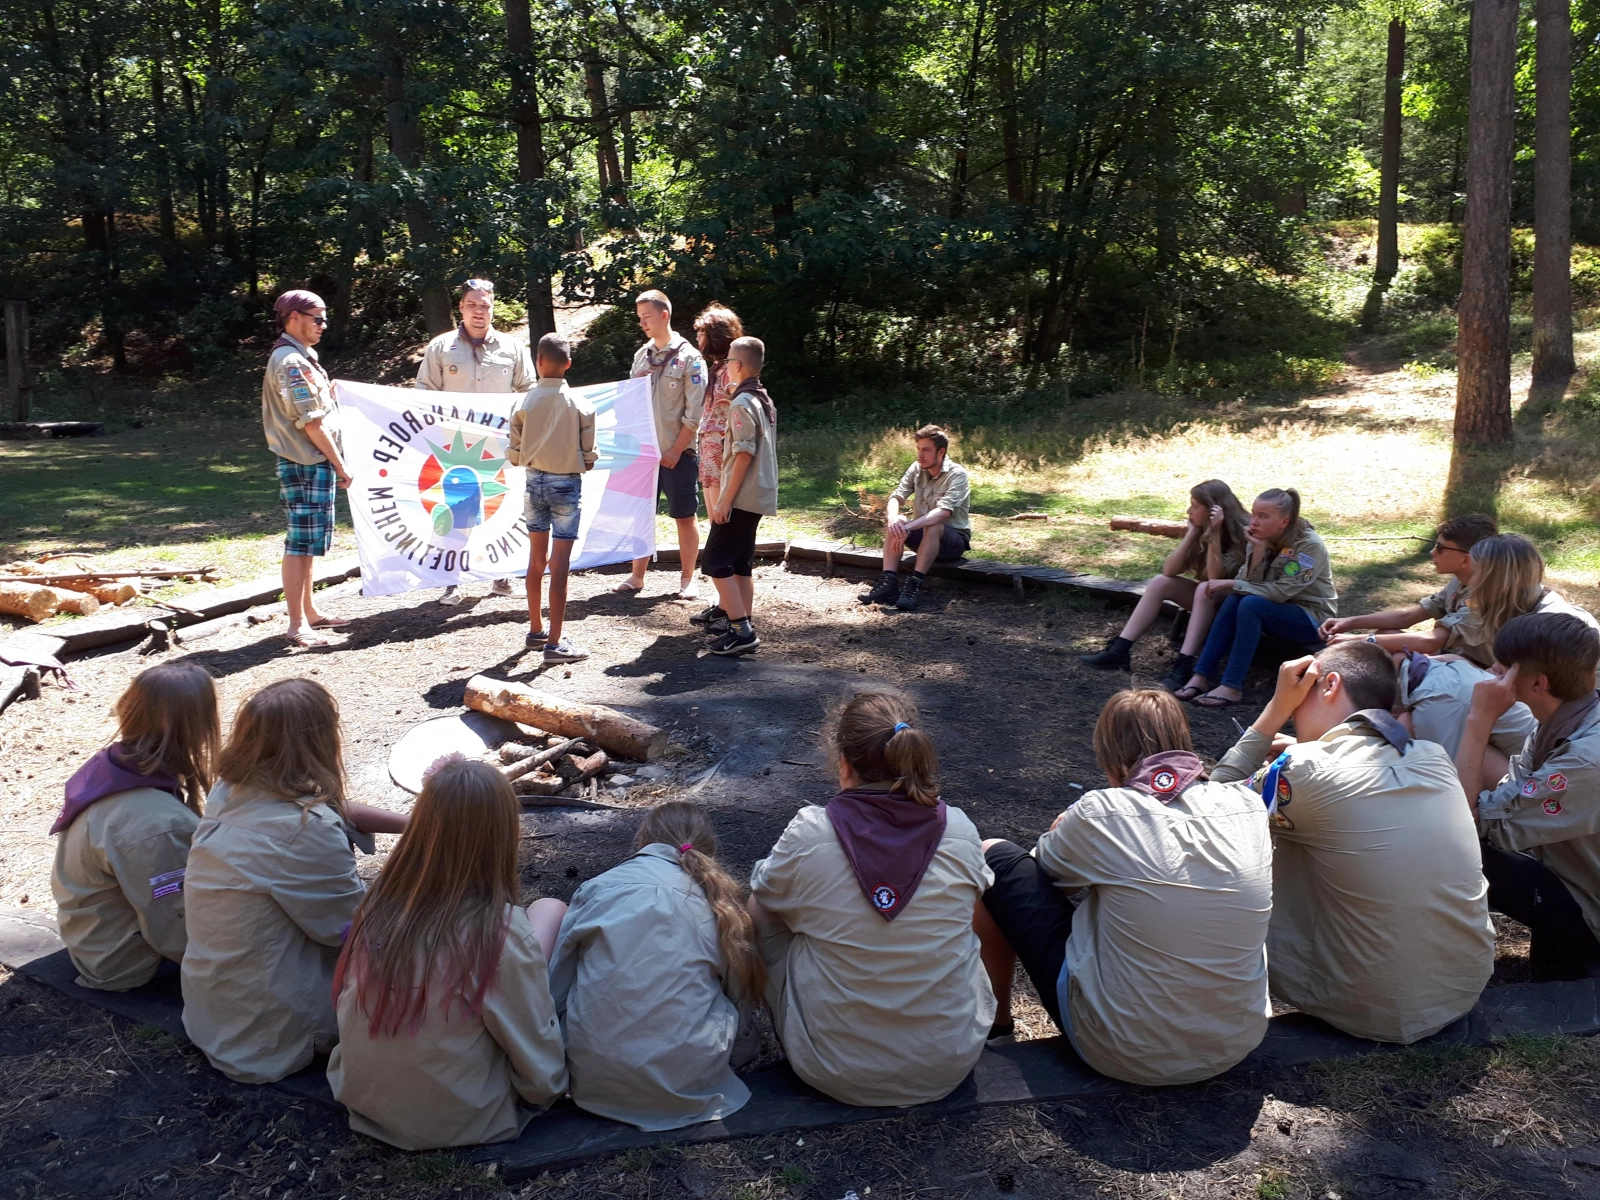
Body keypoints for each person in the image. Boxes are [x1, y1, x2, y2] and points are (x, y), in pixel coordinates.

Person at [974, 689, 1272, 1085]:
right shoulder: (1248, 806)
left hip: (1120, 1050)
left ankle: (998, 1028)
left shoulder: (1101, 810)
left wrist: (1074, 829)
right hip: (1233, 1043)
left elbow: (1039, 881)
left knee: (994, 856)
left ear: (1108, 756)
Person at [1211, 643, 1495, 1043]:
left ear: (1329, 685)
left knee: (1244, 846)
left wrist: (1274, 711)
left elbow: (1207, 812)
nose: (1293, 708)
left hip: (1372, 1007)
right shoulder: (1431, 756)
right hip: (1458, 989)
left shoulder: (1304, 771)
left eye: (1298, 695)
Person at [748, 690, 994, 1106]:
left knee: (760, 905)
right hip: (950, 1061)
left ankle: (754, 1034)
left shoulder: (812, 832)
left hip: (832, 1068)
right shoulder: (959, 828)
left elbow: (766, 902)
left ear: (843, 763)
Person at [328, 759, 568, 1149]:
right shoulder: (499, 932)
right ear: (503, 835)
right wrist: (548, 1091)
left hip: (364, 1100)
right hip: (462, 1120)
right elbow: (536, 1057)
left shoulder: (377, 907)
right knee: (549, 912)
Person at [181, 678, 409, 1084]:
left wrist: (414, 824)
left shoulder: (231, 788)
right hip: (270, 1034)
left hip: (217, 1013)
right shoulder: (306, 830)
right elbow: (352, 931)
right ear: (320, 738)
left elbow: (332, 806)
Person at [549, 801, 763, 1131]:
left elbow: (557, 986)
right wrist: (744, 1050)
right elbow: (738, 996)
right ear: (709, 848)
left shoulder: (596, 888)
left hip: (596, 1084)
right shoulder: (718, 903)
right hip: (693, 1084)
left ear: (642, 839)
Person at [51, 663, 219, 992]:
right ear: (199, 727)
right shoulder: (157, 825)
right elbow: (176, 927)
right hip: (127, 962)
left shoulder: (115, 766)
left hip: (97, 938)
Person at [1456, 612, 1600, 980]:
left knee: (1451, 847)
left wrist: (1479, 720)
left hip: (1590, 908)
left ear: (1537, 683)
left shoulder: (1585, 759)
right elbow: (1509, 792)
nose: (1492, 672)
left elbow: (1465, 823)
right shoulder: (1566, 717)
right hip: (1570, 872)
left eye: (1503, 667)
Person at [415, 278, 537, 606]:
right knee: (456, 510)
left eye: (485, 305)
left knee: (500, 509)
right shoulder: (441, 347)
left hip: (500, 446)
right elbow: (424, 391)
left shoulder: (513, 348)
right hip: (455, 446)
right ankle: (451, 580)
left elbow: (528, 388)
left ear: (493, 307)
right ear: (461, 307)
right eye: (473, 305)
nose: (479, 311)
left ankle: (500, 576)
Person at [1177, 488, 1335, 709]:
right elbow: (1249, 585)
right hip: (1273, 609)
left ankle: (1231, 686)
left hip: (1311, 618)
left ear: (1284, 521)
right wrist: (1258, 553)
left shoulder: (1309, 546)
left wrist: (1231, 583)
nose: (1254, 521)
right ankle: (1200, 676)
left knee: (1250, 604)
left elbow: (1279, 592)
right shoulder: (1259, 537)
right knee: (1236, 601)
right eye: (1253, 514)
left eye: (1263, 516)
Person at [1080, 479, 1250, 677]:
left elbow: (1214, 578)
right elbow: (1169, 570)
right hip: (1209, 598)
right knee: (1160, 582)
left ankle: (1184, 665)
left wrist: (1215, 534)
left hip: (1237, 603)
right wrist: (1192, 532)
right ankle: (1119, 650)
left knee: (1205, 588)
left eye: (1195, 506)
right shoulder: (1201, 528)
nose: (1188, 511)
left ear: (1214, 510)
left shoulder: (1243, 532)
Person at [263, 289, 352, 648]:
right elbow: (311, 423)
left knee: (311, 541)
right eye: (317, 318)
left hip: (311, 460)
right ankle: (297, 625)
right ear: (294, 317)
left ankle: (311, 612)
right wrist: (340, 463)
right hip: (304, 461)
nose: (323, 325)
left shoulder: (305, 358)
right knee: (299, 543)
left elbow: (316, 407)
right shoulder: (292, 361)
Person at [507, 332, 596, 664]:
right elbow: (590, 457)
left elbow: (514, 455)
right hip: (566, 487)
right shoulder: (581, 405)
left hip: (533, 484)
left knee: (535, 560)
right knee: (559, 566)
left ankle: (535, 629)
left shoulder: (522, 403)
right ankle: (555, 643)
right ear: (569, 364)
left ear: (538, 362)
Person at [615, 289, 707, 599]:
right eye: (639, 318)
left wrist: (677, 449)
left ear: (664, 315)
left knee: (684, 516)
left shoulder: (690, 358)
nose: (642, 322)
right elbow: (631, 402)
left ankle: (687, 579)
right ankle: (637, 575)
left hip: (677, 452)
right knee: (641, 514)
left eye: (646, 317)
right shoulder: (642, 355)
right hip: (644, 453)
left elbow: (695, 413)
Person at [697, 336, 778, 657]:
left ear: (739, 365)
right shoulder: (762, 398)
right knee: (741, 563)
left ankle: (742, 630)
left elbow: (743, 453)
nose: (726, 366)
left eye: (730, 361)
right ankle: (739, 624)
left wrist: (725, 499)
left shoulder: (743, 403)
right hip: (756, 496)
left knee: (715, 561)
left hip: (741, 496)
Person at [1319, 513, 1498, 653]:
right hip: (1455, 660)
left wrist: (1361, 640)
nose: (1432, 552)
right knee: (1387, 637)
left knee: (1399, 657)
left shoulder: (1485, 595)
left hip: (1481, 672)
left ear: (1465, 560)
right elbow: (1408, 618)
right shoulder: (1460, 582)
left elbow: (1431, 641)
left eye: (1441, 548)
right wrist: (1349, 622)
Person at [1424, 534, 1600, 668]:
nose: (1470, 582)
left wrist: (1453, 663)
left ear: (1496, 580)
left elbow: (1531, 691)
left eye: (1475, 573)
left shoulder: (1549, 624)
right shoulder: (1508, 604)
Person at [859, 426, 972, 612]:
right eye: (919, 449)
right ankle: (888, 582)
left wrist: (909, 527)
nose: (921, 455)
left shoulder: (957, 474)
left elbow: (943, 512)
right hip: (922, 535)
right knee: (898, 520)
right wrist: (894, 519)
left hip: (953, 542)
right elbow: (897, 496)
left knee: (933, 525)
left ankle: (914, 586)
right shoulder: (916, 468)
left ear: (941, 452)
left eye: (926, 450)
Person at [1394, 649, 1534, 784]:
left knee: (1451, 758)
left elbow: (1461, 782)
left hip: (1535, 769)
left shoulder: (1434, 705)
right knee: (1407, 723)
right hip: (1532, 738)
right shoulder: (1451, 662)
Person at [692, 303, 745, 523]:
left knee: (721, 517)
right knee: (715, 515)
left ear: (715, 336)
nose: (697, 338)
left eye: (701, 333)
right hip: (709, 449)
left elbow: (743, 398)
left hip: (721, 449)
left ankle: (722, 556)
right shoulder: (716, 368)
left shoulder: (729, 372)